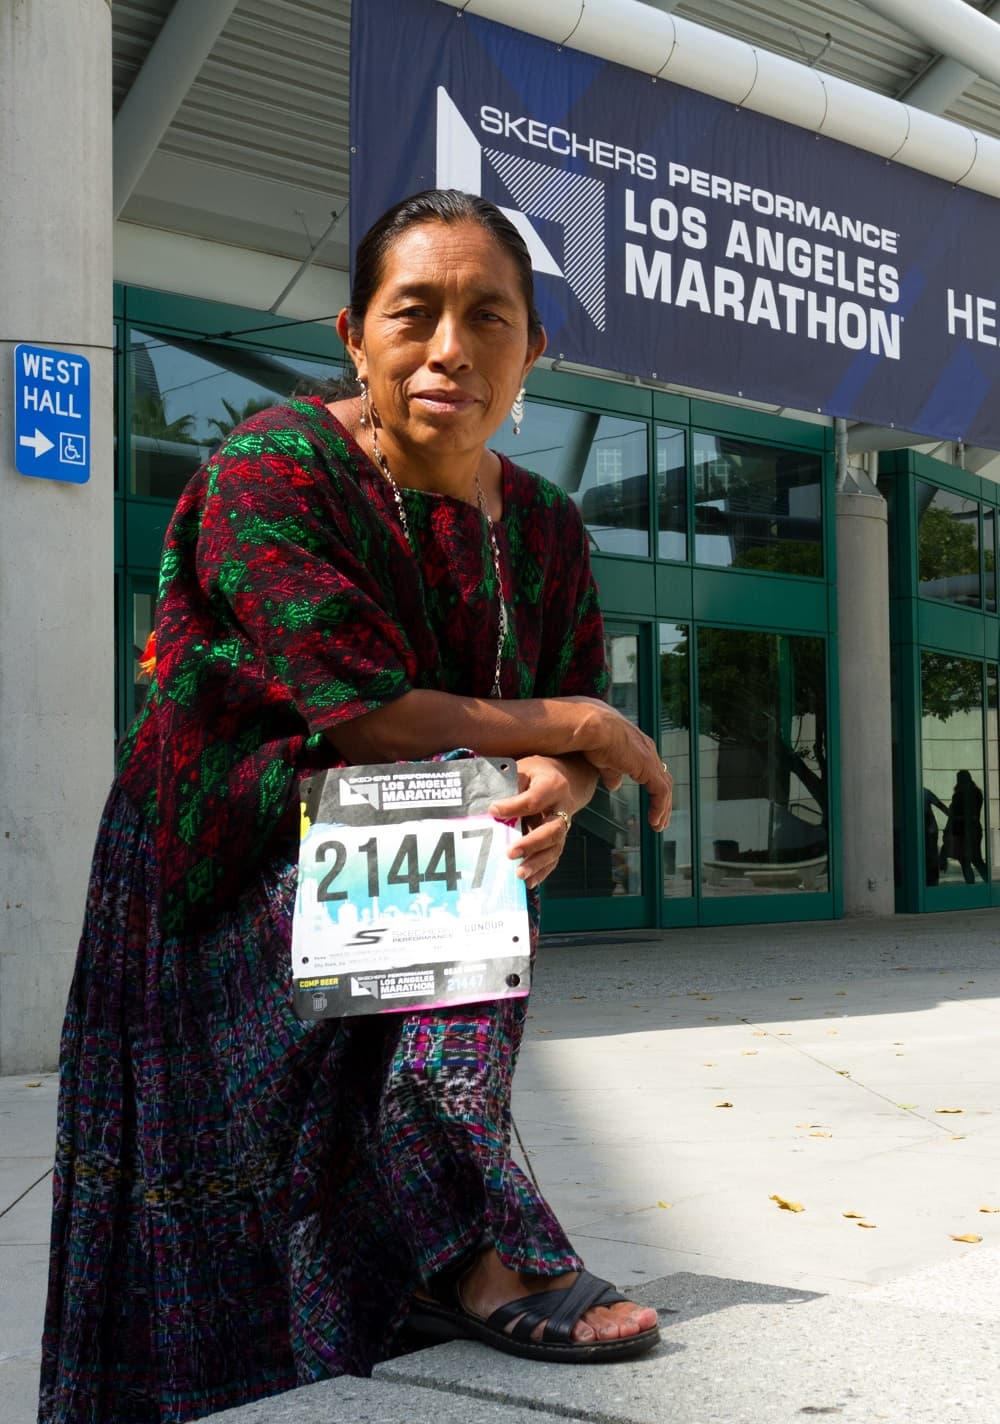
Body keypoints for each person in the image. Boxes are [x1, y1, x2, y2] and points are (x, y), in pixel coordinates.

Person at [39, 189, 674, 1423]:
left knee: (448, 819)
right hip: (224, 866)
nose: (450, 348)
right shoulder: (271, 468)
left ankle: (444, 1244)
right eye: (414, 312)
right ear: (353, 335)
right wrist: (585, 734)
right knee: (435, 823)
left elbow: (564, 697)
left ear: (531, 348)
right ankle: (479, 1245)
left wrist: (568, 773)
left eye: (487, 315)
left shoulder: (543, 525)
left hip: (391, 852)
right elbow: (365, 709)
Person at [946, 769, 988, 884]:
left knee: (971, 859)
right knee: (970, 859)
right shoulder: (973, 793)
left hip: (967, 831)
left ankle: (975, 885)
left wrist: (956, 817)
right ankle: (979, 884)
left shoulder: (966, 794)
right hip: (966, 831)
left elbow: (972, 815)